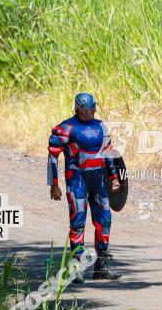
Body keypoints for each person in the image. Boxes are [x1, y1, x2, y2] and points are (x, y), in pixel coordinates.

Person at [48, 92, 121, 280]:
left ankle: (101, 267)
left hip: (100, 183)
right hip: (77, 182)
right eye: (91, 108)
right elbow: (53, 157)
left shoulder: (101, 126)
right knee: (78, 222)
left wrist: (114, 179)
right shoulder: (66, 128)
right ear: (81, 109)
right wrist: (54, 185)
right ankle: (75, 268)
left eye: (95, 107)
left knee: (105, 221)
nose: (95, 111)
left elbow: (109, 153)